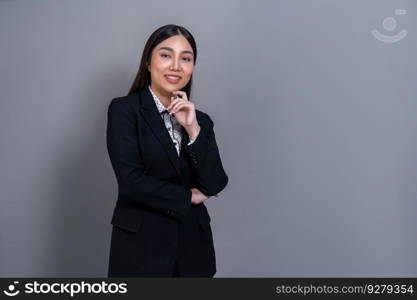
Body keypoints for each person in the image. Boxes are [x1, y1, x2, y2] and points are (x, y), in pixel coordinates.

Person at [106, 24, 229, 277]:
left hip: (193, 250)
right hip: (141, 251)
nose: (176, 66)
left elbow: (214, 183)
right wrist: (188, 197)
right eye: (165, 55)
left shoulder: (201, 120)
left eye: (186, 58)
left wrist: (193, 129)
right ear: (148, 63)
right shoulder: (125, 110)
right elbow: (131, 181)